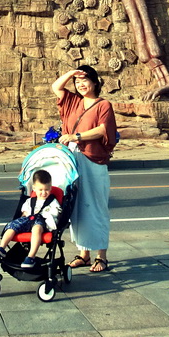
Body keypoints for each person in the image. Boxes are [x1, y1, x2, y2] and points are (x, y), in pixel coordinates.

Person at [52, 65, 116, 272]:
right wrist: (72, 73)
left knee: (96, 206)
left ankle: (101, 256)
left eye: (85, 80)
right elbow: (56, 87)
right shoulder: (73, 102)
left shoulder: (103, 104)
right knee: (77, 207)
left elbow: (102, 130)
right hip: (73, 158)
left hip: (93, 159)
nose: (81, 85)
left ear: (95, 82)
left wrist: (76, 136)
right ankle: (84, 254)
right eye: (78, 82)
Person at [0, 169, 61, 268]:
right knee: (13, 225)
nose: (44, 193)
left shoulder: (53, 202)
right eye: (40, 190)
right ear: (34, 189)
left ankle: (30, 257)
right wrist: (22, 220)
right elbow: (24, 213)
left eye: (47, 189)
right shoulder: (30, 201)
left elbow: (55, 214)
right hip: (29, 219)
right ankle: (2, 247)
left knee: (36, 229)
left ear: (50, 188)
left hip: (42, 222)